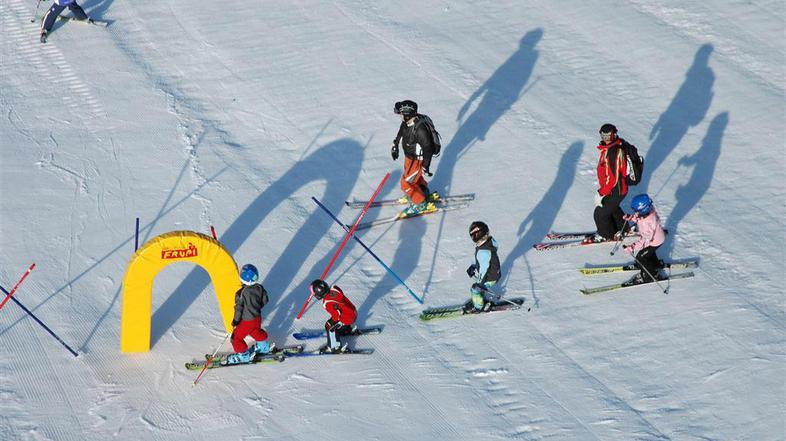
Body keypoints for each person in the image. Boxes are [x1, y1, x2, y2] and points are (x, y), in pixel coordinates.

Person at [588, 123, 635, 243]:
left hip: (615, 189)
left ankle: (605, 235)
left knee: (600, 213)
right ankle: (624, 228)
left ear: (614, 135)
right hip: (617, 189)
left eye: (608, 136)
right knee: (613, 208)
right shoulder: (611, 148)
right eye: (603, 136)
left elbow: (613, 177)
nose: (606, 139)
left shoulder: (613, 152)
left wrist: (601, 192)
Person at [391, 100, 440, 216]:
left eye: (401, 113)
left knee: (406, 183)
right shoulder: (406, 122)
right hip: (409, 157)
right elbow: (401, 131)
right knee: (414, 178)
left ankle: (420, 204)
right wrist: (395, 145)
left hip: (417, 160)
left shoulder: (420, 129)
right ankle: (422, 192)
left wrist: (425, 166)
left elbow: (428, 149)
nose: (400, 116)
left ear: (407, 114)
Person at [223, 264, 272, 365]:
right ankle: (263, 346)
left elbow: (239, 309)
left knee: (236, 338)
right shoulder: (260, 288)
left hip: (247, 321)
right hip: (257, 318)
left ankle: (244, 356)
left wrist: (236, 321)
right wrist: (256, 307)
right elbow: (265, 300)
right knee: (255, 331)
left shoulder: (240, 293)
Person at [623, 194, 666, 283]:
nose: (635, 212)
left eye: (636, 210)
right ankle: (655, 264)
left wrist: (632, 247)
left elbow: (645, 240)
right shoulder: (649, 211)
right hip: (658, 238)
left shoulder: (646, 224)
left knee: (640, 257)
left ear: (642, 209)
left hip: (654, 241)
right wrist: (631, 218)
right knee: (649, 252)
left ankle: (650, 276)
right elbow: (639, 218)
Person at [309, 279, 358, 353]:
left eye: (314, 293)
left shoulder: (327, 303)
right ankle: (345, 330)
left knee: (330, 327)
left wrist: (331, 323)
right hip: (353, 311)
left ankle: (335, 347)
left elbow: (337, 315)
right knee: (335, 322)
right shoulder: (334, 288)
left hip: (348, 318)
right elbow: (340, 300)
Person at [464, 221, 501, 313]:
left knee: (475, 289)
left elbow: (484, 269)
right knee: (479, 287)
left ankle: (478, 307)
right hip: (494, 273)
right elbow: (477, 257)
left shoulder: (483, 252)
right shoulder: (488, 243)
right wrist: (473, 265)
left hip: (490, 277)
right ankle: (480, 299)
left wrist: (480, 283)